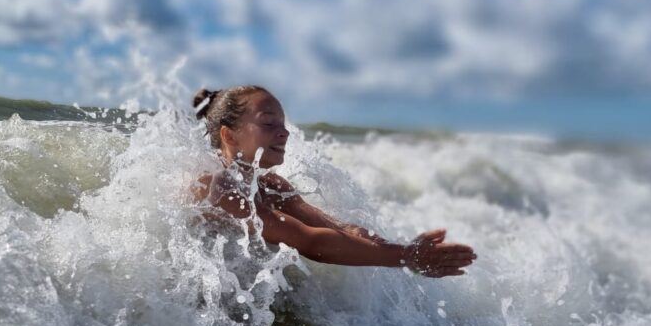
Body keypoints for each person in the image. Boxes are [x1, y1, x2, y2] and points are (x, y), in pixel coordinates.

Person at [192, 85, 476, 278]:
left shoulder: (273, 187)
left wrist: (403, 247)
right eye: (269, 124)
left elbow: (337, 228)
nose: (284, 133)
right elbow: (310, 241)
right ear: (229, 135)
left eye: (283, 125)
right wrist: (405, 258)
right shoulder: (218, 187)